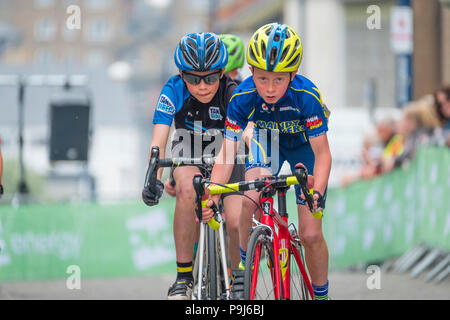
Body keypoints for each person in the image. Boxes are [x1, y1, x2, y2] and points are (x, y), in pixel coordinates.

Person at [203, 23, 332, 300]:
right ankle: (242, 272)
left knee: (310, 234)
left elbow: (322, 154)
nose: (270, 88)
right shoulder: (242, 97)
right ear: (251, 72)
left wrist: (317, 193)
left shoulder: (307, 96)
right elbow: (227, 153)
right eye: (262, 79)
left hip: (303, 148)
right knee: (248, 202)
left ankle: (321, 296)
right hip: (267, 141)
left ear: (292, 74)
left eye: (278, 80)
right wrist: (213, 194)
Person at [141, 32, 245, 300]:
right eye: (192, 79)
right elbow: (159, 139)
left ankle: (237, 282)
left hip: (226, 149)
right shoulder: (172, 89)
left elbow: (247, 134)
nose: (202, 87)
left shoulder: (232, 91)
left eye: (210, 78)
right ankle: (183, 277)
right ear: (180, 74)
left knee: (234, 219)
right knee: (188, 189)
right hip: (188, 146)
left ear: (222, 73)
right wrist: (155, 176)